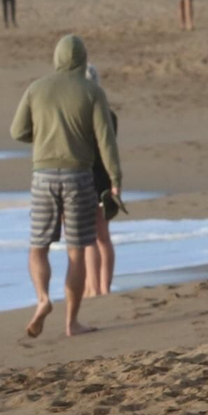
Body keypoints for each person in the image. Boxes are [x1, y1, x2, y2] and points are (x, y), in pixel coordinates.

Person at [11, 35, 120, 338]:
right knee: (76, 250)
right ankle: (71, 323)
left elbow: (18, 130)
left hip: (43, 176)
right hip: (78, 177)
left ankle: (43, 299)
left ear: (57, 58)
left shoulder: (37, 88)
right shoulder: (92, 91)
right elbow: (105, 142)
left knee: (38, 247)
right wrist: (115, 181)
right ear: (83, 58)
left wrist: (45, 139)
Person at [82, 64, 118, 298]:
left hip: (85, 177)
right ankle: (104, 286)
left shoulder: (79, 116)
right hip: (104, 177)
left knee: (88, 237)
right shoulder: (109, 115)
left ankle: (92, 287)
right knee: (103, 236)